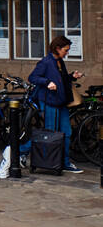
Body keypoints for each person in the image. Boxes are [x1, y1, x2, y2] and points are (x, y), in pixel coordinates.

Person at [29, 35, 84, 172]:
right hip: (49, 102)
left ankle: (64, 162)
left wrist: (72, 76)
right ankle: (19, 152)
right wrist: (47, 83)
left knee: (66, 132)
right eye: (66, 50)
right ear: (57, 48)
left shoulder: (60, 61)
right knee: (50, 134)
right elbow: (33, 77)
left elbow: (62, 78)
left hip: (61, 101)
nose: (67, 53)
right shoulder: (46, 62)